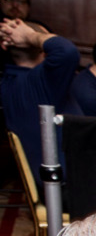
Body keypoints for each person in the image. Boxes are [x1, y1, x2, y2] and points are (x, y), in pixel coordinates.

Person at [0, 18, 81, 190]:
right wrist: (30, 36)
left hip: (51, 184)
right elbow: (67, 51)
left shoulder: (8, 83)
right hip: (74, 187)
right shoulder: (45, 80)